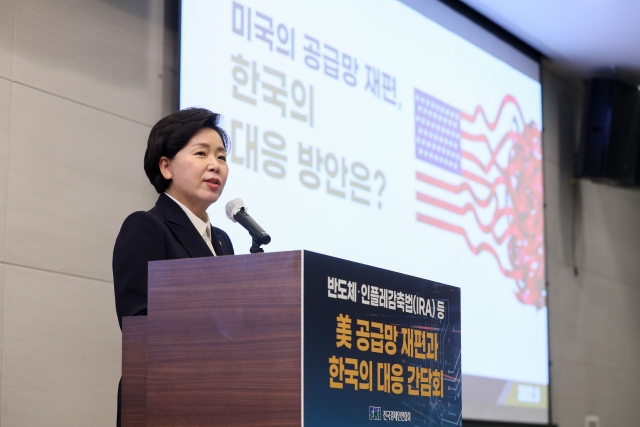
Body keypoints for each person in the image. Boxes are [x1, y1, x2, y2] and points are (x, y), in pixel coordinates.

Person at [112, 107, 234, 425]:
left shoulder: (222, 241)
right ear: (166, 166)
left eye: (221, 157)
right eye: (201, 153)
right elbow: (138, 326)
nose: (215, 165)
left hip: (219, 397)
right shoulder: (146, 227)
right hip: (165, 398)